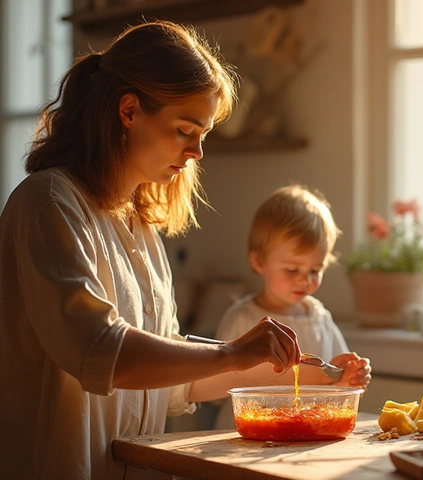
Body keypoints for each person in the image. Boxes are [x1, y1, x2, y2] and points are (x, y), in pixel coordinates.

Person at [0, 21, 301, 480]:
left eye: (202, 134)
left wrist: (287, 367)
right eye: (185, 129)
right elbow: (100, 352)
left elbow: (175, 382)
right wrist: (232, 354)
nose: (198, 151)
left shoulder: (139, 225)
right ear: (128, 111)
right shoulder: (49, 204)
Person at [208, 185, 372, 429]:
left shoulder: (319, 318)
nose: (305, 280)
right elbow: (215, 387)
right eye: (292, 270)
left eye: (315, 271)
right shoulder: (242, 318)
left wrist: (348, 379)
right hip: (245, 436)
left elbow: (334, 382)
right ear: (259, 262)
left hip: (307, 432)